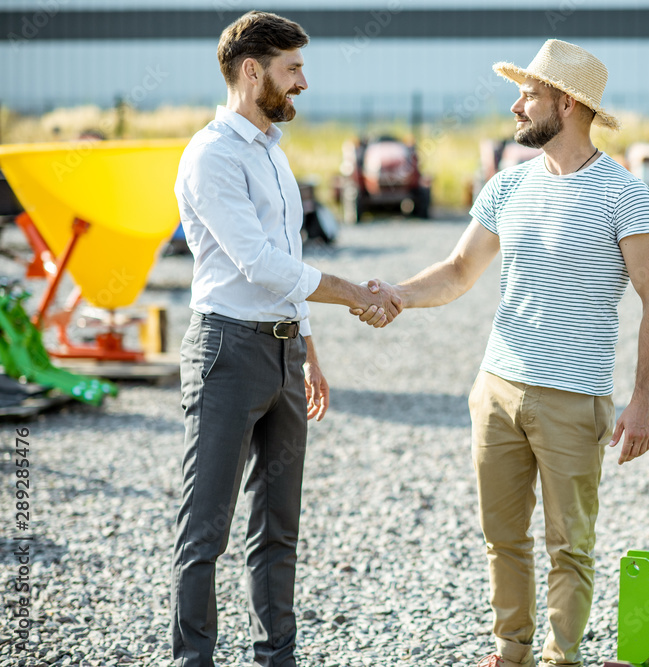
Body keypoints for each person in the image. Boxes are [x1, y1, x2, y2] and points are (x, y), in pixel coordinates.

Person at [364, 39, 649, 667]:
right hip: (497, 387)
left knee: (569, 545)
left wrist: (642, 402)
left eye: (528, 93)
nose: (515, 104)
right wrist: (395, 294)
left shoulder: (624, 194)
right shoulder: (508, 186)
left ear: (565, 102)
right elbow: (456, 271)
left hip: (574, 398)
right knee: (502, 537)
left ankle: (562, 658)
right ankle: (510, 653)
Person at [170, 11, 398, 667]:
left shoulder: (272, 150)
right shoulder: (211, 155)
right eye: (292, 67)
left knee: (279, 526)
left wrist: (308, 350)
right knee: (205, 524)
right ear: (252, 70)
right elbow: (260, 266)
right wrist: (356, 291)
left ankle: (278, 657)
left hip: (282, 353)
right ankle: (194, 659)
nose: (303, 81)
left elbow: (287, 258)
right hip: (225, 353)